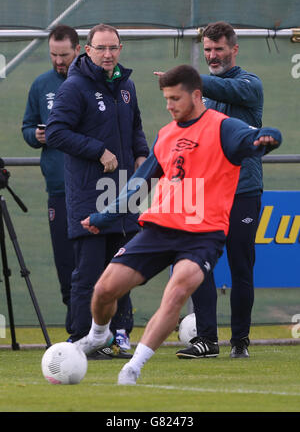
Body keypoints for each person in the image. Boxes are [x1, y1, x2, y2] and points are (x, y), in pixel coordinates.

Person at [74, 64, 281, 385]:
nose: (169, 105)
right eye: (166, 99)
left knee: (177, 291)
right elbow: (138, 184)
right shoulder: (167, 134)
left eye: (175, 98)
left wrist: (270, 138)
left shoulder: (223, 127)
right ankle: (98, 335)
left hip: (203, 232)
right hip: (160, 228)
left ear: (197, 95)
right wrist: (104, 216)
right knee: (103, 290)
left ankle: (133, 368)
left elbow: (256, 139)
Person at [45, 24, 149, 358]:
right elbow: (57, 132)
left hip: (122, 194)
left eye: (113, 48)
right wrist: (97, 150)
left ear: (121, 49)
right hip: (89, 194)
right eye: (101, 48)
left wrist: (142, 159)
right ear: (87, 50)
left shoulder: (127, 85)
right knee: (89, 271)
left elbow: (136, 129)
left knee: (122, 268)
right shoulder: (74, 87)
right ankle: (81, 338)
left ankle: (119, 335)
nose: (107, 54)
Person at [173, 21, 265, 359]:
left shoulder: (249, 84)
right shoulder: (202, 97)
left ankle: (240, 341)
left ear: (234, 50)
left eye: (219, 49)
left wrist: (190, 82)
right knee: (198, 266)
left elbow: (227, 90)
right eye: (208, 50)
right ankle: (207, 340)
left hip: (242, 191)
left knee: (241, 267)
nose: (213, 55)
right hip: (207, 193)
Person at [22, 25, 80, 335]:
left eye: (64, 55)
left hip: (90, 187)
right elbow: (27, 128)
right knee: (64, 260)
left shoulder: (88, 82)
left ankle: (106, 327)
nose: (59, 61)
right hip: (57, 188)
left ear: (78, 50)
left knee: (96, 258)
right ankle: (75, 326)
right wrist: (37, 135)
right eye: (54, 55)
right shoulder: (41, 84)